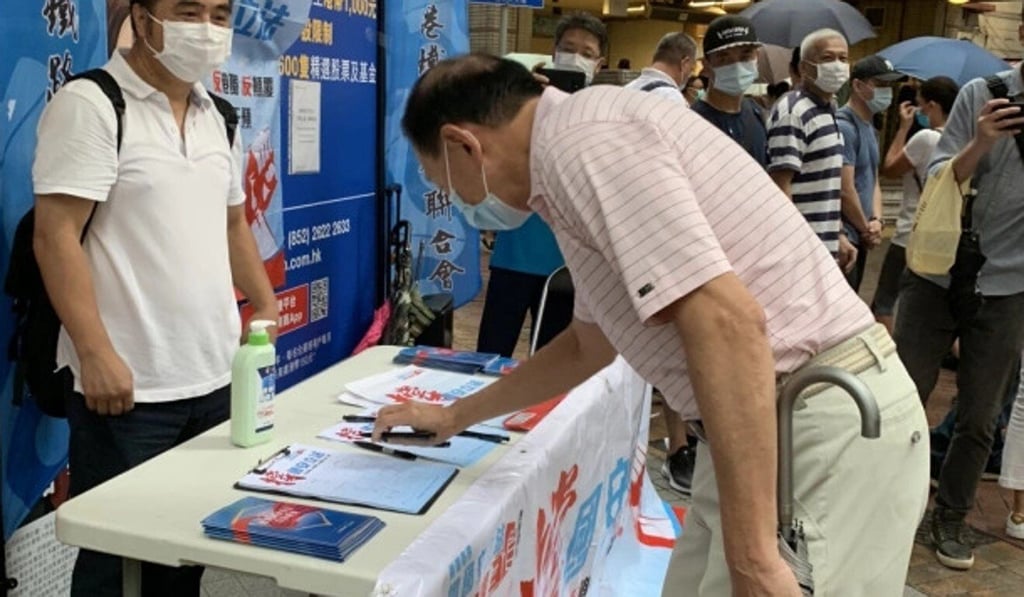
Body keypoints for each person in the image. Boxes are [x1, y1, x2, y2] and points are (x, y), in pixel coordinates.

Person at [380, 53, 929, 595]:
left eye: (445, 184)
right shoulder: (571, 151)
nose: (458, 203)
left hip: (813, 421)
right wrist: (455, 416)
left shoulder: (586, 142)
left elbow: (726, 323)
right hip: (757, 429)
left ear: (463, 144)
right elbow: (587, 344)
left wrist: (754, 556)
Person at [31, 0, 278, 595]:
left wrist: (264, 305)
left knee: (186, 550)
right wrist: (95, 353)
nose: (207, 29)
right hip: (129, 389)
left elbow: (233, 224)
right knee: (117, 563)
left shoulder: (217, 112)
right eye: (187, 11)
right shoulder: (93, 104)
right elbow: (55, 235)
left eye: (220, 15)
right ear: (141, 19)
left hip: (216, 379)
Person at [894, 7, 1024, 571]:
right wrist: (983, 140)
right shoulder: (983, 92)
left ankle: (950, 515)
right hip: (938, 272)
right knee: (903, 397)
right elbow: (941, 174)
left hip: (1008, 285)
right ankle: (884, 498)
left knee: (979, 414)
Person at [477, 13, 608, 357]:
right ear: (553, 52)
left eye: (587, 53)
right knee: (490, 353)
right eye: (568, 49)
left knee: (551, 356)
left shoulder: (603, 112)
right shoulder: (523, 101)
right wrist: (520, 98)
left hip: (566, 263)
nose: (577, 57)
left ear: (600, 62)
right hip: (514, 251)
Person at [624, 30, 699, 495]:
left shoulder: (623, 93)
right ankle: (677, 449)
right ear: (687, 64)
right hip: (659, 247)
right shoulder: (671, 104)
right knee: (673, 354)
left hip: (622, 242)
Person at [766, 29, 855, 271]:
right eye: (827, 58)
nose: (837, 65)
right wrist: (798, 246)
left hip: (824, 248)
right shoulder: (793, 112)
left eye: (843, 58)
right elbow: (780, 187)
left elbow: (826, 183)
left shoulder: (828, 110)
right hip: (800, 254)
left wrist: (838, 234)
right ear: (804, 68)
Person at [875, 76, 959, 331]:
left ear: (932, 105)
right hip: (944, 236)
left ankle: (891, 362)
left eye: (921, 105)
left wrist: (902, 128)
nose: (920, 110)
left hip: (910, 233)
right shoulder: (965, 139)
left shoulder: (926, 138)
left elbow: (890, 168)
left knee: (884, 301)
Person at [836, 55, 900, 291]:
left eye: (889, 86)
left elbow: (873, 180)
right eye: (880, 84)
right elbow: (845, 189)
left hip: (861, 234)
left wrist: (877, 220)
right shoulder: (845, 126)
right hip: (845, 238)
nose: (887, 92)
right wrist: (865, 229)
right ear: (857, 86)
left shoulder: (870, 128)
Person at [693, 15, 767, 166]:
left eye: (745, 55)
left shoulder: (756, 113)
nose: (737, 66)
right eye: (723, 58)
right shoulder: (694, 123)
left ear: (757, 57)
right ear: (706, 65)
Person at [623, 32, 697, 103]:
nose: (690, 74)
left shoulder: (627, 89)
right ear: (685, 63)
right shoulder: (672, 98)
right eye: (691, 69)